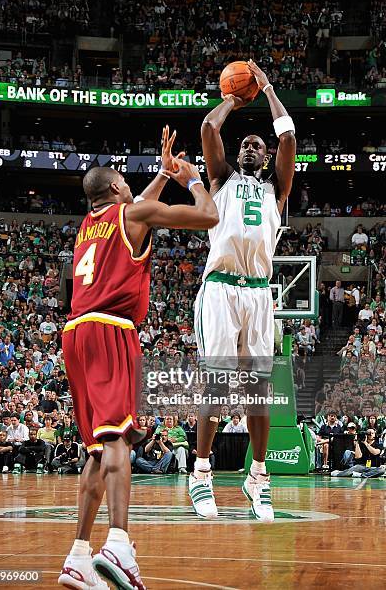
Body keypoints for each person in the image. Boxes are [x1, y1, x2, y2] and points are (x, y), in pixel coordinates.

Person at [59, 126, 218, 590]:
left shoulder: (90, 225)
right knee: (119, 443)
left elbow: (137, 208)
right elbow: (207, 217)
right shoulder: (132, 213)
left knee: (96, 448)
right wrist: (189, 178)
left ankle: (77, 556)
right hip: (112, 330)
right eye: (126, 180)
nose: (132, 184)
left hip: (76, 332)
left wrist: (160, 173)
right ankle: (120, 544)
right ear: (114, 188)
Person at [189, 59, 296, 522]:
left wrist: (267, 88)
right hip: (220, 288)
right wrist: (234, 95)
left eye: (258, 145)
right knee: (216, 381)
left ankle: (258, 476)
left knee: (258, 389)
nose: (251, 148)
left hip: (257, 293)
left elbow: (289, 137)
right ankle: (201, 472)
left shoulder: (277, 190)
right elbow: (209, 128)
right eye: (246, 145)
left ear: (266, 156)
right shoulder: (222, 180)